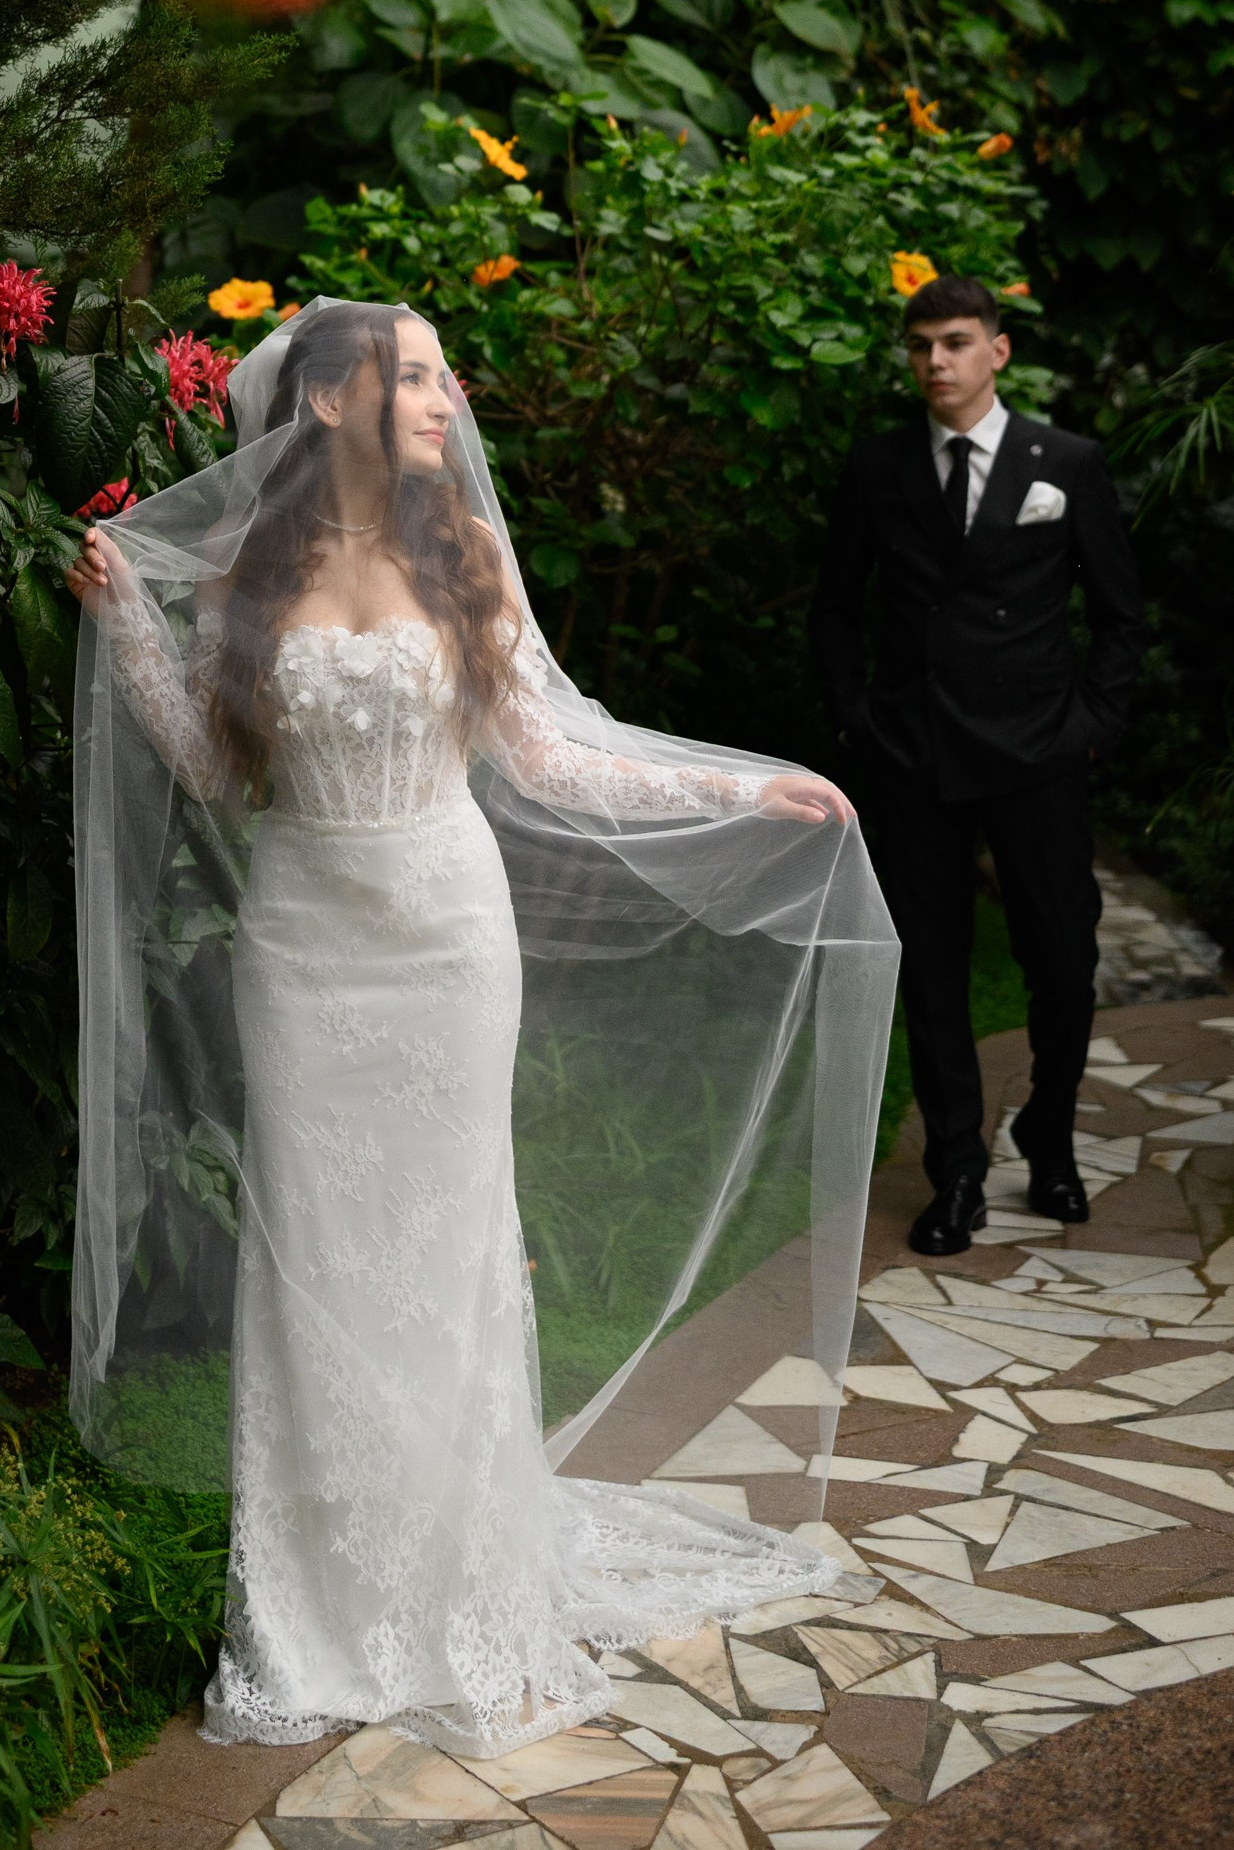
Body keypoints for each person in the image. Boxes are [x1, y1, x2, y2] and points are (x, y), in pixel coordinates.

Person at [65, 297, 897, 1759]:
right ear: (328, 399)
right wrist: (126, 622)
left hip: (449, 935)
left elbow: (549, 759)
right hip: (304, 945)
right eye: (419, 372)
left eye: (444, 373)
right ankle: (320, 1604)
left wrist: (734, 793)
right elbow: (207, 773)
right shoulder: (243, 576)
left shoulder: (465, 550)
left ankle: (470, 1586)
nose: (447, 397)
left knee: (449, 1255)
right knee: (316, 1260)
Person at [810, 273, 1144, 1260]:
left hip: (1036, 751)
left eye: (954, 343)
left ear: (996, 351)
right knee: (933, 967)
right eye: (918, 347)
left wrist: (1088, 726)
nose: (934, 363)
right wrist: (853, 722)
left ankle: (1046, 1131)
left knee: (1063, 959)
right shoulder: (876, 467)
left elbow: (1121, 615)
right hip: (913, 754)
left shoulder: (1064, 462)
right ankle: (954, 1167)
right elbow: (834, 607)